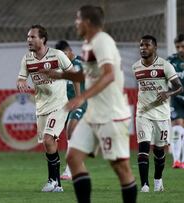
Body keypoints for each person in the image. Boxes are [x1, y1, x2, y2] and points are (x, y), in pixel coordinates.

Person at [41, 5, 137, 203]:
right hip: (93, 114)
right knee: (73, 158)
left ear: (87, 22)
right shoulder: (88, 44)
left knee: (121, 167)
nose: (75, 23)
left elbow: (109, 75)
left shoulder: (102, 41)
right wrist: (60, 75)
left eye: (77, 19)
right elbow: (88, 74)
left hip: (111, 114)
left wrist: (82, 97)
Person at [17, 24, 79, 192]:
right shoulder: (27, 59)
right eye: (28, 37)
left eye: (32, 37)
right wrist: (21, 82)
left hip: (60, 105)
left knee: (48, 139)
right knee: (48, 144)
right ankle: (57, 184)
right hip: (41, 107)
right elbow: (21, 78)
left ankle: (52, 180)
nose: (29, 40)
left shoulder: (57, 55)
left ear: (42, 39)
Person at [133, 35, 183, 192]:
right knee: (143, 147)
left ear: (155, 48)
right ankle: (144, 185)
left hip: (161, 114)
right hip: (143, 113)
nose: (143, 48)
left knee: (159, 151)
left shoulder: (165, 66)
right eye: (141, 45)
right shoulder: (136, 67)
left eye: (147, 45)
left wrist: (167, 93)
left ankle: (157, 180)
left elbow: (179, 87)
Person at [54, 40, 87, 180]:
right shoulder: (62, 66)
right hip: (65, 104)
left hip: (80, 103)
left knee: (71, 129)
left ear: (69, 51)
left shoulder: (81, 63)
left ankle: (70, 169)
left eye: (63, 54)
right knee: (68, 135)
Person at [167, 34, 184, 169]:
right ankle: (177, 160)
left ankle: (182, 159)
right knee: (177, 126)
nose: (180, 49)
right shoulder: (171, 61)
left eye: (183, 46)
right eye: (178, 47)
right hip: (176, 99)